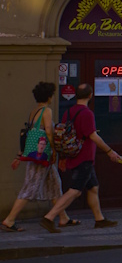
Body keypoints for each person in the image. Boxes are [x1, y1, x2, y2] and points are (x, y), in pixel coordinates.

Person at [41, 84, 122, 231]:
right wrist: (109, 151)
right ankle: (49, 217)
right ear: (90, 95)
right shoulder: (87, 113)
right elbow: (93, 136)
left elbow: (62, 137)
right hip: (83, 157)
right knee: (75, 190)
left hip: (75, 156)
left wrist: (64, 158)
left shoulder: (68, 112)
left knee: (93, 187)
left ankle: (99, 219)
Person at [2, 82, 75, 232]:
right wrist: (54, 151)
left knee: (54, 185)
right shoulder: (46, 111)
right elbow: (48, 131)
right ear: (49, 96)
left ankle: (63, 217)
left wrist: (19, 155)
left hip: (38, 156)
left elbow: (28, 136)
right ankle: (9, 220)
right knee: (30, 188)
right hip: (42, 157)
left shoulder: (34, 112)